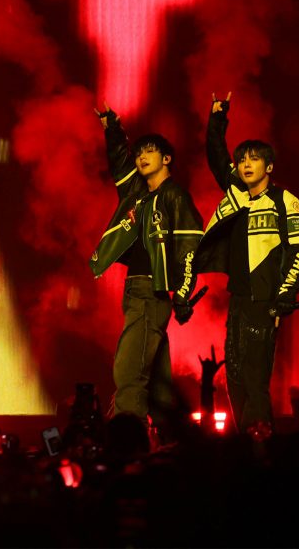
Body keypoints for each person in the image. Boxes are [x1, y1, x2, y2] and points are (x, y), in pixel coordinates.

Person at [193, 92, 299, 433]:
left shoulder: (286, 201)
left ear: (269, 167)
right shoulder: (236, 191)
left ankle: (259, 442)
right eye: (242, 159)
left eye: (254, 159)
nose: (245, 164)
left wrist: (285, 293)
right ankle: (246, 438)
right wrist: (218, 118)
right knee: (234, 375)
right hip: (239, 299)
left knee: (255, 375)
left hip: (266, 300)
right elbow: (217, 157)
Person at [90, 104, 203, 431]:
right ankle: (170, 441)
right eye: (139, 152)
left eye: (149, 151)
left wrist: (182, 295)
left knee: (128, 373)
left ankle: (128, 443)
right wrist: (112, 128)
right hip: (135, 290)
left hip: (151, 293)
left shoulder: (175, 196)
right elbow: (120, 164)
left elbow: (190, 247)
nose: (141, 157)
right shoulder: (138, 195)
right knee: (157, 384)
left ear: (167, 159)